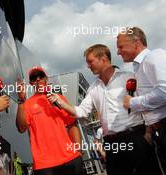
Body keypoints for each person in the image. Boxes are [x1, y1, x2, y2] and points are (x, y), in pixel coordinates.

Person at [47, 44, 162, 175]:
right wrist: (60, 102)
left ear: (103, 58)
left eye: (90, 62)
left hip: (136, 137)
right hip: (111, 143)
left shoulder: (128, 77)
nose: (88, 66)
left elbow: (145, 103)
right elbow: (81, 112)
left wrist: (147, 132)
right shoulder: (93, 88)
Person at [16, 67, 85, 175]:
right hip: (45, 165)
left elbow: (72, 124)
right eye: (34, 78)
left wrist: (79, 151)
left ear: (46, 78)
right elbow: (21, 128)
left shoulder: (59, 98)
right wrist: (21, 101)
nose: (38, 79)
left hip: (71, 159)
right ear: (31, 83)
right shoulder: (27, 104)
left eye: (40, 76)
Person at [117, 26, 166, 173]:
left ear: (136, 43)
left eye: (121, 46)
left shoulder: (153, 57)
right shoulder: (139, 66)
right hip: (159, 131)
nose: (118, 52)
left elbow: (164, 91)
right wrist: (150, 128)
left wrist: (133, 102)